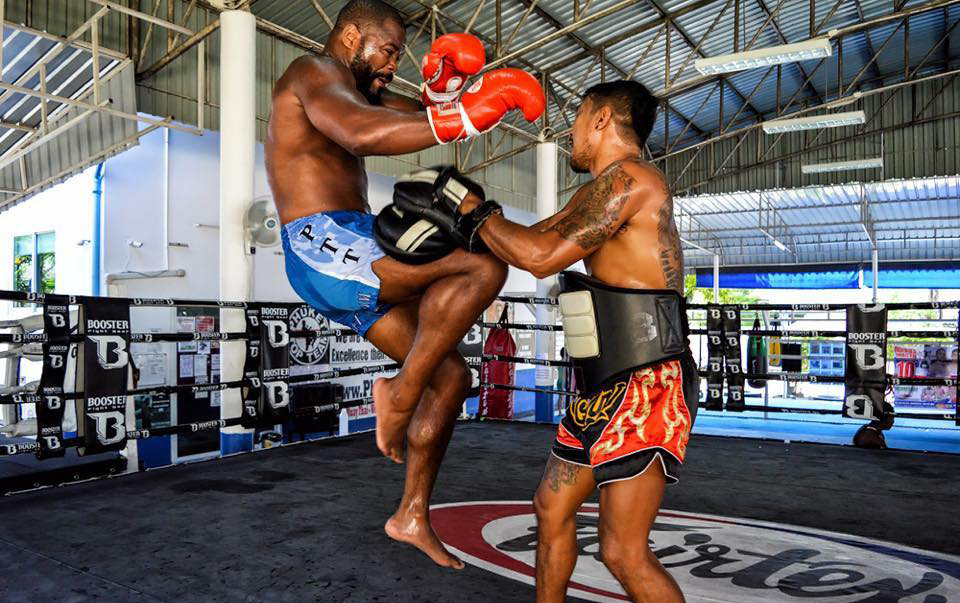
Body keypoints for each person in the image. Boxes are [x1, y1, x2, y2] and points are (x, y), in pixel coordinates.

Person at [265, 0, 543, 568]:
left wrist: (447, 96)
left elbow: (418, 119)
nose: (395, 64)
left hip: (354, 248)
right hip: (321, 242)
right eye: (389, 51)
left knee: (451, 377)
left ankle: (412, 515)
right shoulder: (313, 74)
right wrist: (464, 115)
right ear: (351, 37)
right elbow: (360, 134)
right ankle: (397, 392)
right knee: (483, 262)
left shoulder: (359, 92)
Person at [456, 80, 699, 602]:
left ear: (602, 119)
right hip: (604, 386)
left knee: (621, 550)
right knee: (551, 507)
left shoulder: (633, 180)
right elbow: (528, 240)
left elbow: (542, 258)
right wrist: (458, 227)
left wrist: (474, 211)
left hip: (647, 381)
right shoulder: (596, 191)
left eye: (578, 117)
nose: (571, 131)